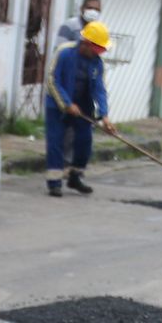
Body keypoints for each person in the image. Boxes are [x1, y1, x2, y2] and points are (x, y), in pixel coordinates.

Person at [44, 20, 117, 197]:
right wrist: (67, 105)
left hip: (83, 105)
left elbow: (100, 88)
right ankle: (54, 182)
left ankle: (75, 177)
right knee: (56, 142)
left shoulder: (96, 63)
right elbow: (53, 80)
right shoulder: (65, 52)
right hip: (57, 104)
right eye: (97, 48)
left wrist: (104, 115)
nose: (99, 53)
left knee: (84, 141)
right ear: (86, 43)